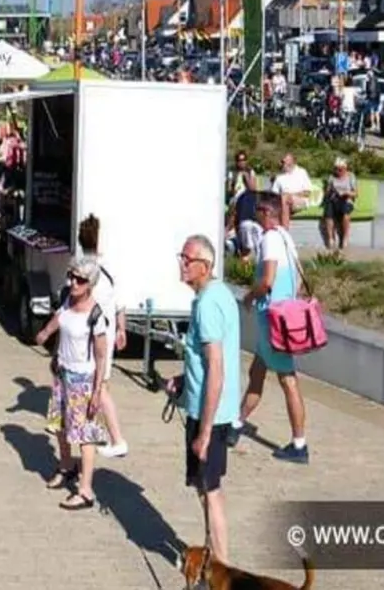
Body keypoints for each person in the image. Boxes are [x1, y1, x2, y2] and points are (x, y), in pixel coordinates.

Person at [165, 235, 240, 566]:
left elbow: (217, 369)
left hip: (209, 414)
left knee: (210, 492)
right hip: (208, 409)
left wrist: (205, 432)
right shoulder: (215, 295)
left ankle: (221, 570)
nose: (182, 263)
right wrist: (183, 379)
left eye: (188, 258)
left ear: (206, 266)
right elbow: (206, 361)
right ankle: (214, 560)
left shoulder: (208, 303)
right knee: (205, 489)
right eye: (181, 256)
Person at [233, 191, 311, 463]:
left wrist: (249, 296)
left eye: (258, 211)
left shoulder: (269, 240)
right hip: (283, 316)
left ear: (267, 212)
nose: (255, 215)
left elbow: (267, 280)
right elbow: (300, 279)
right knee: (257, 370)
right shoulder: (286, 237)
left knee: (287, 380)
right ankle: (236, 424)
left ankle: (299, 444)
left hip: (273, 319)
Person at [36, 258, 111, 510]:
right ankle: (67, 466)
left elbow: (102, 355)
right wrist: (45, 333)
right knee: (60, 425)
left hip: (83, 379)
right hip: (62, 373)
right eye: (71, 276)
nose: (73, 283)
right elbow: (59, 318)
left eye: (79, 279)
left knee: (84, 434)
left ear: (90, 284)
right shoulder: (68, 300)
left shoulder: (96, 315)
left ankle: (86, 490)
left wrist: (98, 390)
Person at [71, 216, 129, 458]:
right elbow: (119, 302)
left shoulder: (81, 269)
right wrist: (122, 329)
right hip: (107, 330)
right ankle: (101, 432)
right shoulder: (109, 267)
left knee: (99, 387)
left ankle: (117, 438)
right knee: (100, 384)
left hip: (90, 336)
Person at [321, 157, 358, 251]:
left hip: (346, 200)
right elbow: (327, 192)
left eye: (340, 169)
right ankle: (330, 239)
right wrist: (329, 191)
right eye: (336, 169)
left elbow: (356, 193)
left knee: (346, 214)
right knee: (328, 215)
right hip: (334, 199)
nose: (338, 171)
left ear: (345, 168)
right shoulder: (332, 177)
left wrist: (346, 193)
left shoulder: (351, 176)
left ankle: (345, 238)